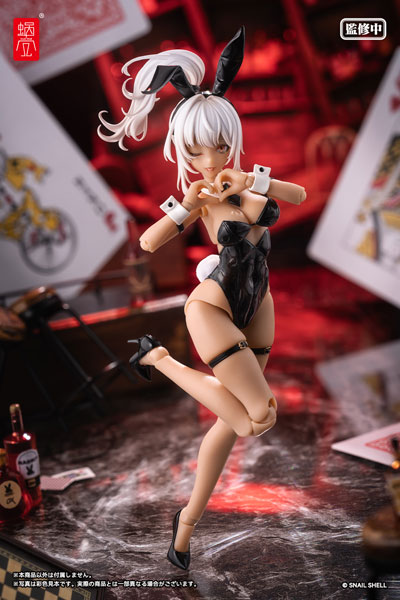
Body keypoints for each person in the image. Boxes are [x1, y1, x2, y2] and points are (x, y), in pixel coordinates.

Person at [98, 27, 306, 570]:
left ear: (231, 138)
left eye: (216, 145)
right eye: (195, 150)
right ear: (182, 150)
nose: (208, 158)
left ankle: (185, 528)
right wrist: (186, 205)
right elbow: (148, 244)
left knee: (230, 425)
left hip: (258, 304)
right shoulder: (200, 195)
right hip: (212, 306)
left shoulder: (246, 180)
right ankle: (159, 359)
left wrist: (250, 180)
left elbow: (298, 195)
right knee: (257, 417)